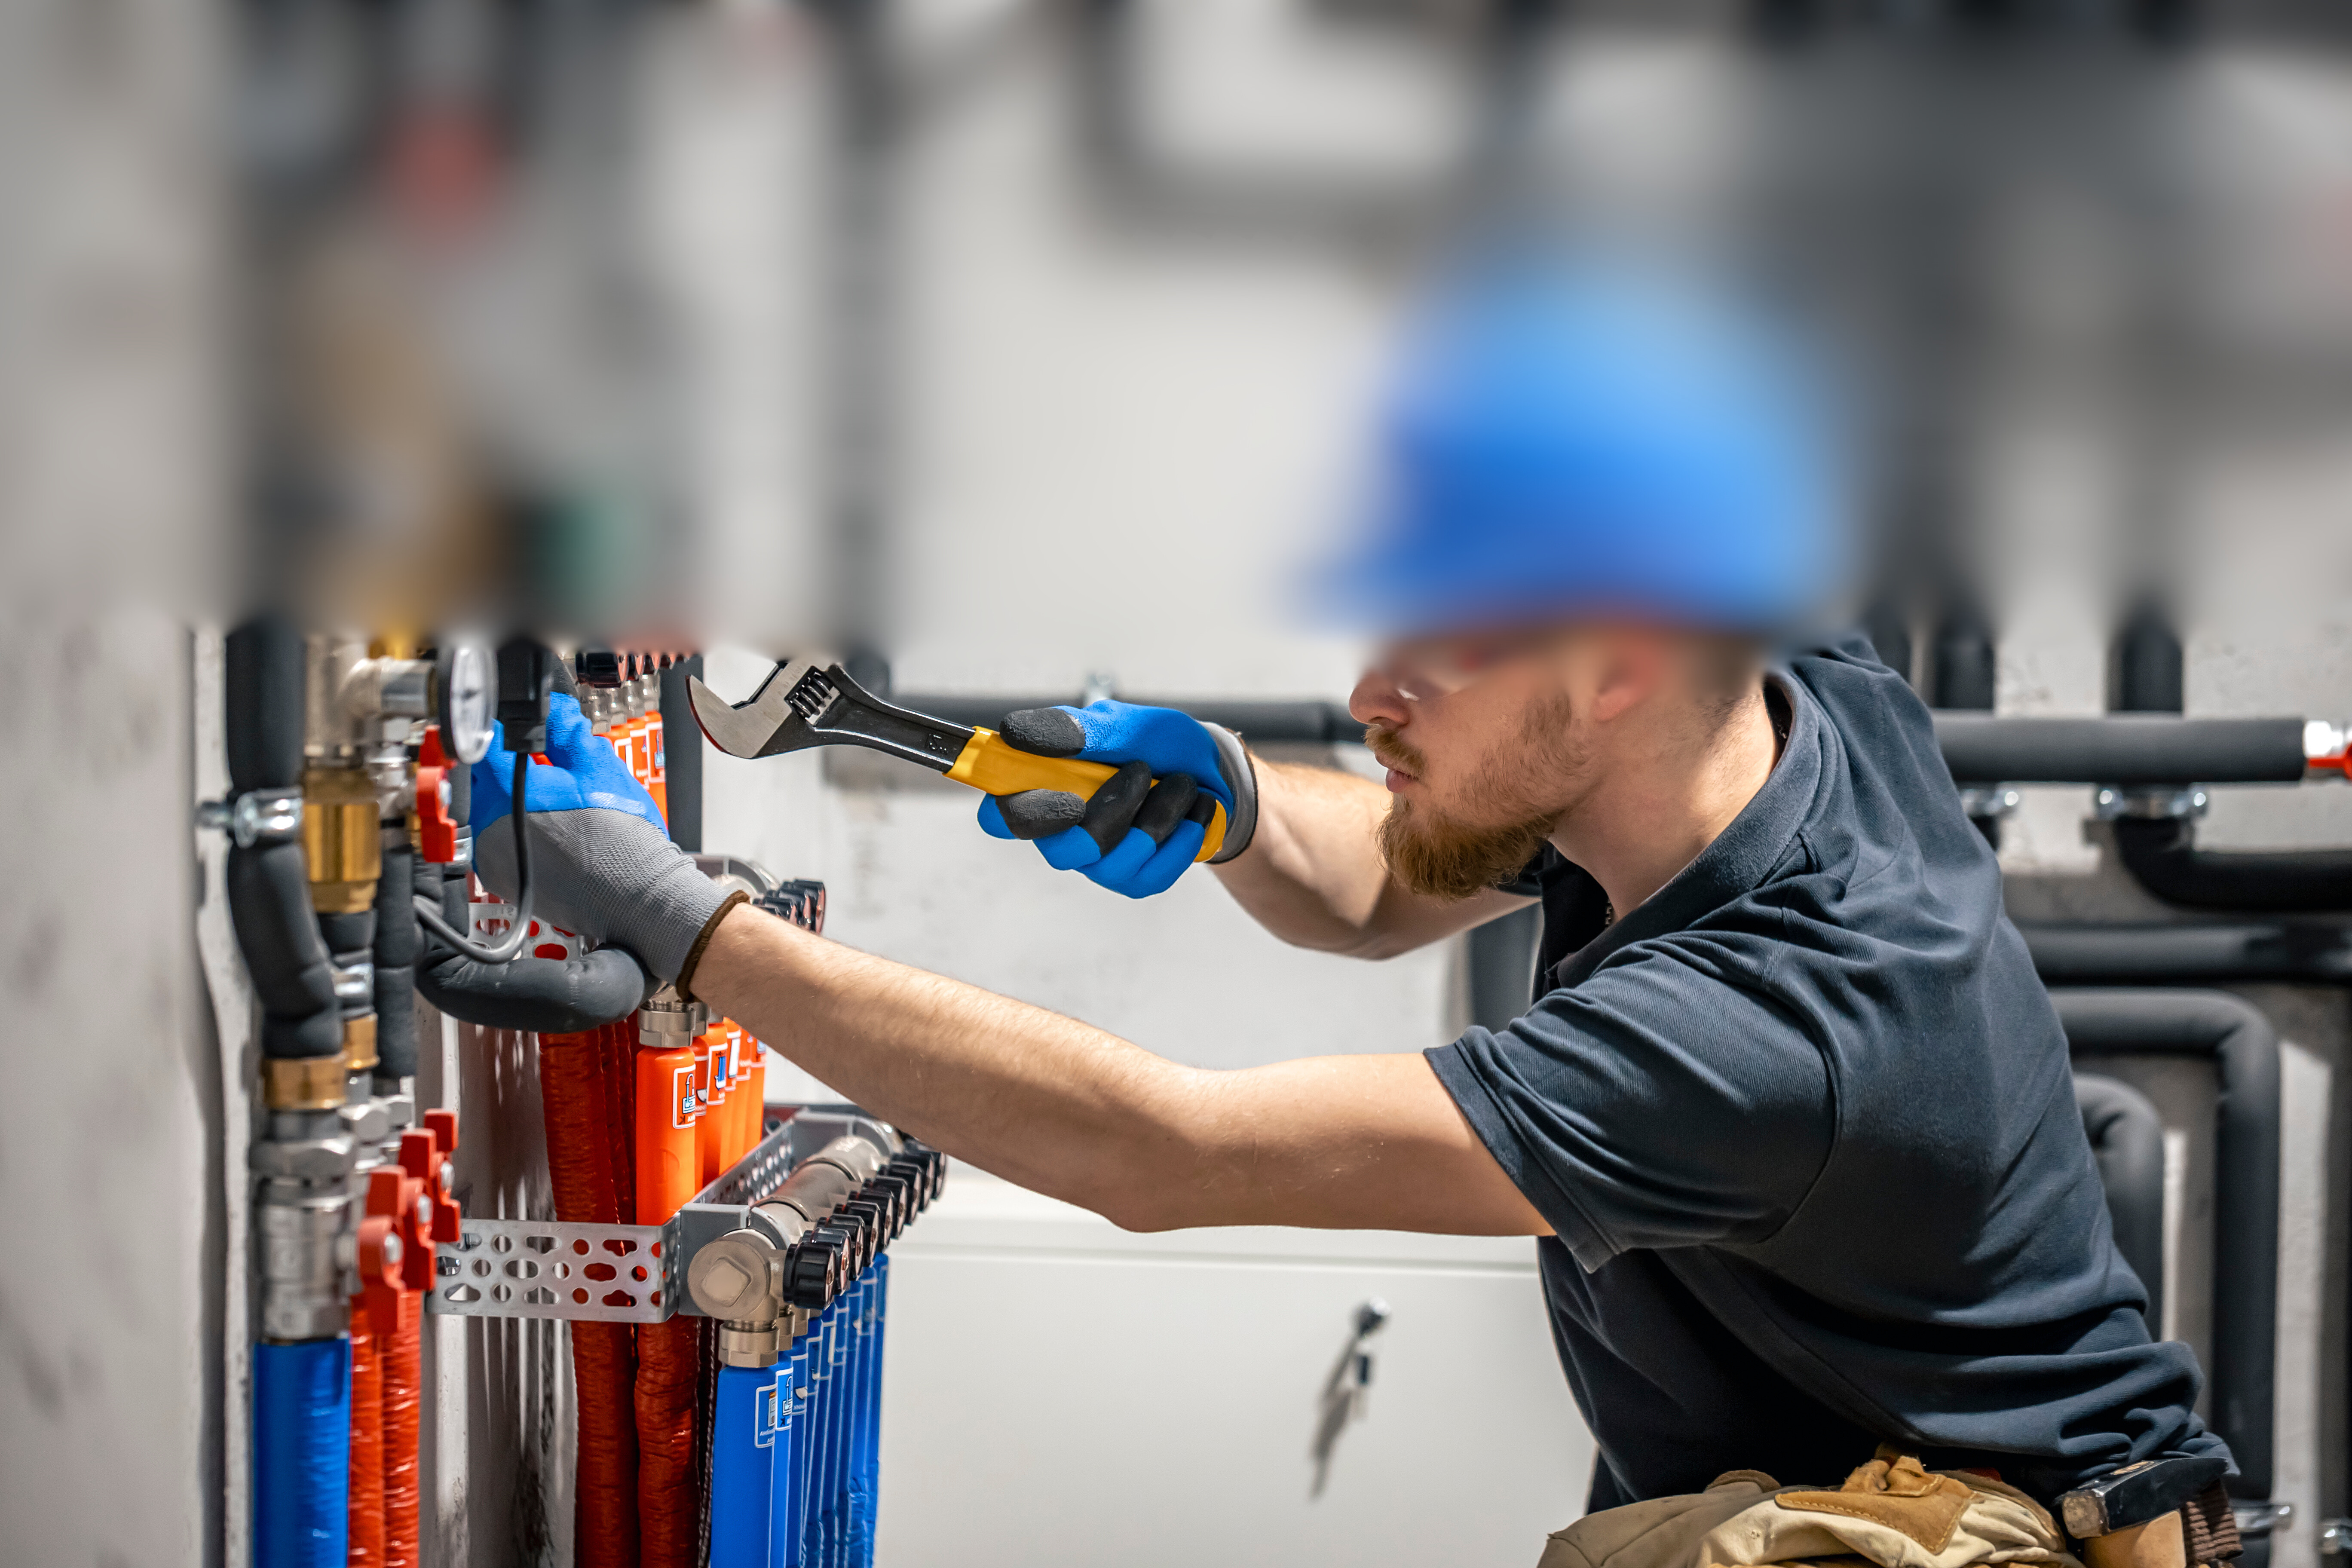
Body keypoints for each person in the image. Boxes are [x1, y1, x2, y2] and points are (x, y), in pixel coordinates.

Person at [473, 257, 2230, 1566]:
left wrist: (695, 927)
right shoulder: (1796, 703)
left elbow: (1170, 1155)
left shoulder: (1771, 1037)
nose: (1372, 690)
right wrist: (1234, 799)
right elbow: (1401, 875)